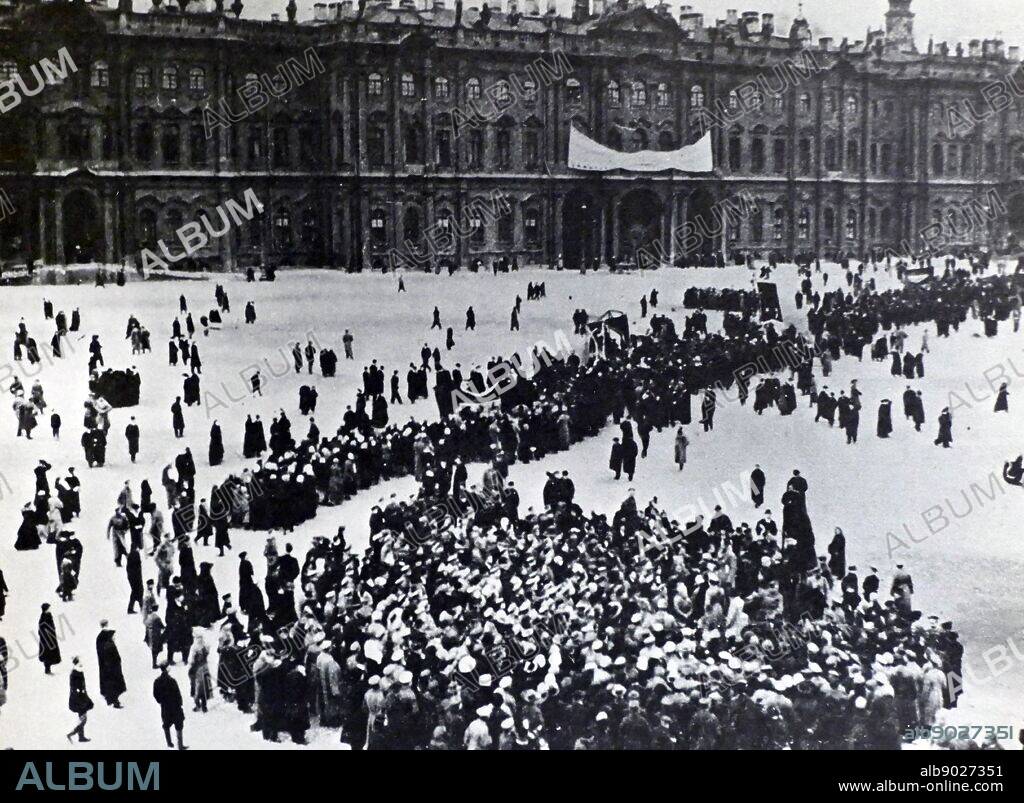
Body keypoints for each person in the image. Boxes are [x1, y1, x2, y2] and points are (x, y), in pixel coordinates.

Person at [153, 658, 188, 750]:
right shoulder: (172, 681)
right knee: (179, 724)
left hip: (165, 707)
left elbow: (155, 695)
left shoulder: (157, 681)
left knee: (166, 724)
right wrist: (180, 703)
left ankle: (169, 743)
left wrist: (161, 701)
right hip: (175, 706)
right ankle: (180, 745)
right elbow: (177, 693)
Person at [96, 621, 126, 708]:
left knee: (108, 683)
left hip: (105, 667)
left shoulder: (99, 639)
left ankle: (109, 698)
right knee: (114, 684)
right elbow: (115, 656)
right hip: (112, 668)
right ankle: (115, 701)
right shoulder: (109, 644)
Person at [66, 657, 93, 743]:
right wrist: (80, 696)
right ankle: (72, 734)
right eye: (79, 664)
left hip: (81, 697)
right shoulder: (75, 674)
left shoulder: (78, 672)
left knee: (82, 718)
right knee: (83, 719)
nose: (81, 665)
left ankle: (81, 737)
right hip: (78, 699)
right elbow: (75, 687)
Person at [38, 603, 62, 673]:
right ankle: (47, 669)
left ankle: (48, 667)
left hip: (51, 638)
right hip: (46, 639)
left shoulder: (49, 615)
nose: (50, 609)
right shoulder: (43, 617)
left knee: (51, 654)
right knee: (47, 654)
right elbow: (41, 628)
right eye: (49, 608)